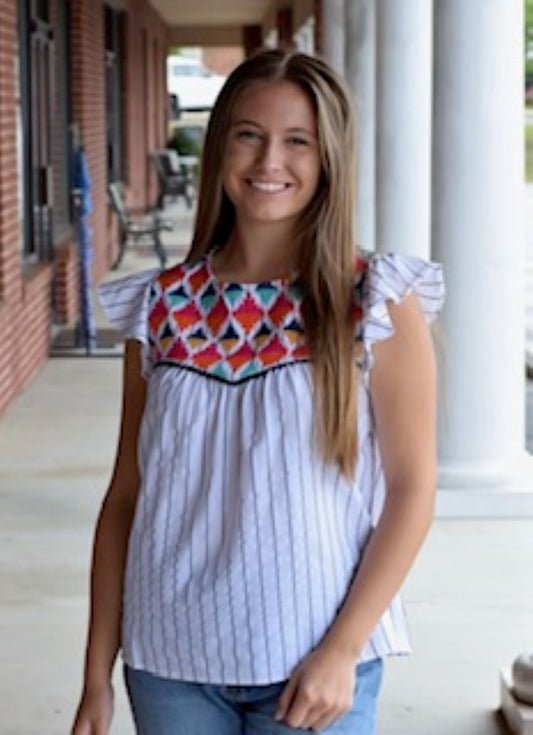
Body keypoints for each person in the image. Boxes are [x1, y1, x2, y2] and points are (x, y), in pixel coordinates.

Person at [71, 48, 445, 735]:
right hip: (169, 659)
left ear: (328, 155)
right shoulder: (161, 307)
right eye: (249, 134)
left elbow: (412, 488)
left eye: (296, 141)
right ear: (220, 147)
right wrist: (97, 670)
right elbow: (127, 494)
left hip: (312, 662)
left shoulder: (373, 299)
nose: (269, 160)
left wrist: (341, 648)